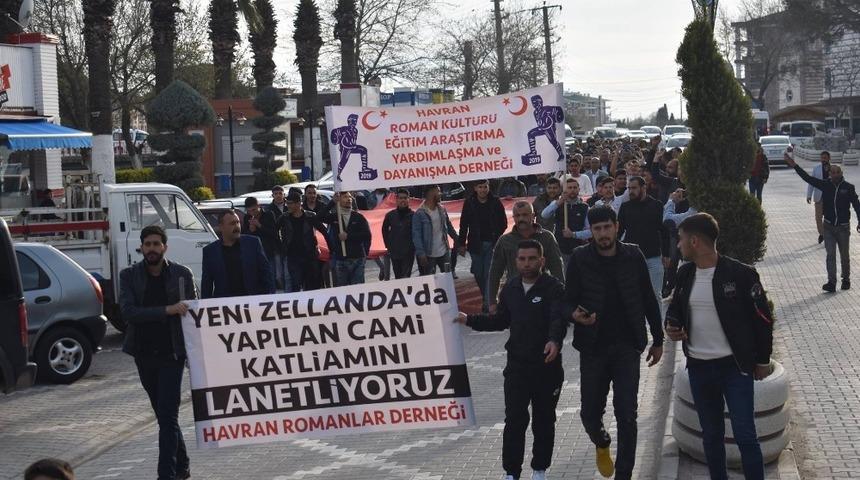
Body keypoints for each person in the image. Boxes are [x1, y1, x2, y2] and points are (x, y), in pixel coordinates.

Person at [665, 213, 774, 480]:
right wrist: (671, 325)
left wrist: (762, 360)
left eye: (681, 239)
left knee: (745, 434)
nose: (678, 245)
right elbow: (675, 308)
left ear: (694, 241)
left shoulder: (741, 274)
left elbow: (762, 320)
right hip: (699, 368)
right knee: (711, 436)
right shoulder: (685, 273)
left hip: (734, 367)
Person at [564, 206, 664, 480]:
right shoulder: (580, 258)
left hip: (627, 347)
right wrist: (574, 314)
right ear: (591, 231)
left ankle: (624, 474)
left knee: (627, 414)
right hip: (593, 348)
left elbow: (648, 298)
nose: (603, 233)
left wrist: (658, 339)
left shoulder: (633, 255)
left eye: (607, 227)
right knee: (589, 414)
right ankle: (601, 441)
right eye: (597, 229)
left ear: (617, 227)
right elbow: (566, 300)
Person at [454, 240, 567, 480]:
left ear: (542, 261)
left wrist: (554, 341)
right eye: (522, 259)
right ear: (516, 262)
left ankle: (539, 470)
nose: (527, 264)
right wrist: (469, 320)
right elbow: (501, 320)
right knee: (515, 420)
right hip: (517, 368)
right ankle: (511, 472)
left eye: (532, 259)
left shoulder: (553, 288)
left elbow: (558, 319)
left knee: (544, 421)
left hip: (546, 368)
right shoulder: (511, 289)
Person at [119, 225, 195, 480]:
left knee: (168, 415)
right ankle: (182, 465)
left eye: (156, 244)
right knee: (164, 416)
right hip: (143, 354)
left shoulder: (182, 274)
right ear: (141, 247)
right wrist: (167, 310)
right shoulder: (129, 276)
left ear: (165, 247)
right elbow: (128, 312)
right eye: (147, 244)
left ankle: (167, 475)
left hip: (172, 354)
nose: (151, 249)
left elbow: (193, 314)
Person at [785, 153, 860, 291]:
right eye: (833, 172)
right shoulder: (826, 185)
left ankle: (846, 279)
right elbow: (808, 178)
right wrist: (794, 165)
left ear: (841, 173)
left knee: (844, 256)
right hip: (829, 227)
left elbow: (857, 205)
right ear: (829, 174)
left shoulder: (848, 187)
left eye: (837, 172)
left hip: (843, 228)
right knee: (830, 255)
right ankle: (831, 283)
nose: (835, 174)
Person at [488, 202, 564, 313]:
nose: (521, 219)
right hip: (515, 295)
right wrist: (492, 302)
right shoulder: (504, 241)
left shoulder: (547, 238)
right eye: (517, 216)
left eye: (525, 215)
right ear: (513, 217)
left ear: (533, 216)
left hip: (543, 294)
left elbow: (557, 268)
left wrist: (562, 297)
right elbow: (495, 272)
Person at [617, 177, 670, 303]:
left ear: (643, 187)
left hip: (654, 257)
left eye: (634, 188)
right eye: (629, 188)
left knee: (655, 295)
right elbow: (618, 232)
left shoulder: (657, 205)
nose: (631, 191)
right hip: (631, 258)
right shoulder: (625, 207)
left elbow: (664, 231)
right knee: (632, 295)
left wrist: (666, 254)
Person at [458, 179, 508, 311]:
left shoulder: (495, 202)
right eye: (480, 187)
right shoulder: (469, 203)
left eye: (485, 187)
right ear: (475, 188)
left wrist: (496, 235)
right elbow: (463, 224)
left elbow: (503, 223)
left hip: (492, 244)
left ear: (488, 187)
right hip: (475, 244)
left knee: (488, 273)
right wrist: (461, 243)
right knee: (478, 273)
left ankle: (488, 303)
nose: (483, 190)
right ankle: (487, 297)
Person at [201, 210, 275, 298]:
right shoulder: (210, 251)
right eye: (232, 223)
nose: (237, 226)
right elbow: (206, 284)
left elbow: (266, 273)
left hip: (252, 301)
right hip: (225, 303)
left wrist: (269, 298)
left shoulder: (253, 243)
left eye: (238, 222)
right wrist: (205, 304)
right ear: (221, 227)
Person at [320, 191, 372, 285]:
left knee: (357, 289)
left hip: (357, 258)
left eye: (350, 197)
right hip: (341, 259)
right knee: (343, 290)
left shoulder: (358, 217)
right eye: (345, 197)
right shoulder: (335, 217)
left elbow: (367, 235)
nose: (348, 199)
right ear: (339, 200)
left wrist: (348, 236)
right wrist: (332, 202)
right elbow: (319, 217)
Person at [280, 190, 327, 291]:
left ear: (298, 204)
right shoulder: (284, 217)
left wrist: (332, 249)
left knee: (311, 285)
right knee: (295, 284)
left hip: (309, 256)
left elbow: (324, 231)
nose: (288, 206)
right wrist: (282, 246)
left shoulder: (310, 216)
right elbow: (273, 230)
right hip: (293, 257)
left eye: (290, 203)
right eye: (287, 203)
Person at [541, 178, 590, 268]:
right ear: (564, 190)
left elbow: (590, 232)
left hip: (578, 248)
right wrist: (559, 202)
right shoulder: (557, 204)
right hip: (560, 248)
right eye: (569, 187)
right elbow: (544, 215)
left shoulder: (585, 207)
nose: (572, 190)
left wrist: (574, 234)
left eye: (574, 187)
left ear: (579, 189)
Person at [412, 185, 459, 275]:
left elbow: (448, 226)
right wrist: (421, 253)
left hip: (444, 251)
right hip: (428, 254)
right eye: (438, 191)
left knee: (448, 277)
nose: (440, 194)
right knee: (429, 280)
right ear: (430, 193)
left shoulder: (442, 209)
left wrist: (457, 239)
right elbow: (416, 236)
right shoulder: (419, 214)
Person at [382, 188, 416, 279]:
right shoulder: (390, 215)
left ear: (409, 199)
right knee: (398, 277)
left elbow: (417, 233)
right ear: (396, 200)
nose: (403, 200)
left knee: (405, 277)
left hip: (408, 253)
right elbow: (384, 230)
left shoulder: (414, 215)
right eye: (400, 198)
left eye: (405, 198)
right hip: (395, 252)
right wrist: (388, 245)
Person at [241, 197, 279, 263]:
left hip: (268, 251)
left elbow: (274, 233)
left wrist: (259, 225)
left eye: (254, 210)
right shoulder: (247, 217)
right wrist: (251, 231)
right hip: (254, 252)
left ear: (258, 206)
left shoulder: (268, 215)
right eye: (249, 211)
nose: (252, 213)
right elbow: (244, 235)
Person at [806, 151, 832, 244]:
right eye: (822, 158)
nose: (823, 160)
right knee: (818, 218)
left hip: (830, 198)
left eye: (825, 158)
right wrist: (809, 195)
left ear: (829, 158)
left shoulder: (834, 169)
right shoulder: (816, 169)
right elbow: (811, 182)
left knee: (830, 218)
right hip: (819, 197)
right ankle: (822, 234)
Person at [267, 185, 289, 290]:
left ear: (284, 194)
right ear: (272, 195)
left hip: (289, 245)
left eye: (280, 193)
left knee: (288, 274)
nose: (278, 196)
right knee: (278, 275)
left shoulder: (289, 206)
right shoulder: (269, 210)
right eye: (276, 194)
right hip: (276, 246)